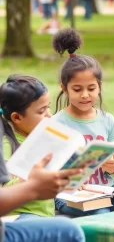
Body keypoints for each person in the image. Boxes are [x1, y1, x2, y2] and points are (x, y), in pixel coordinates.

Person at [51, 29, 114, 217]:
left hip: (104, 189)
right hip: (69, 194)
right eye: (77, 89)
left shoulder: (107, 120)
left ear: (99, 87)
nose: (85, 95)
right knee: (100, 213)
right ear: (64, 88)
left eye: (91, 88)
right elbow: (49, 168)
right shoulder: (56, 123)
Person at [0, 76, 85, 241]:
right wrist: (34, 182)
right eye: (41, 111)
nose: (49, 115)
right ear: (17, 117)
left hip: (45, 212)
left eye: (48, 108)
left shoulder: (44, 139)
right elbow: (6, 187)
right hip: (21, 214)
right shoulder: (6, 144)